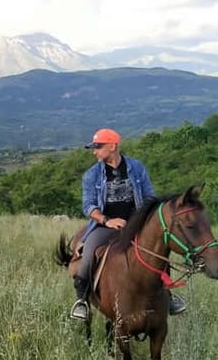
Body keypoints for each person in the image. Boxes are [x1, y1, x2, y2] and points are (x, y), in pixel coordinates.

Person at [70, 128, 187, 320]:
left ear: (112, 146)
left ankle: (168, 296)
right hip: (105, 225)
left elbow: (149, 197)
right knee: (88, 253)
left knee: (159, 251)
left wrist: (142, 220)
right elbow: (89, 206)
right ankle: (82, 300)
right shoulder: (92, 175)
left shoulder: (137, 168)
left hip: (136, 224)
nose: (94, 151)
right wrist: (108, 221)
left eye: (98, 147)